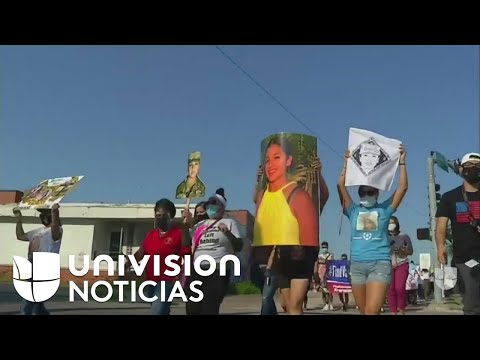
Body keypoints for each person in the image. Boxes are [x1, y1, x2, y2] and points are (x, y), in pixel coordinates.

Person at [252, 136, 329, 315]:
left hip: (300, 255)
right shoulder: (268, 196)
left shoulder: (301, 196)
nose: (271, 163)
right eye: (267, 159)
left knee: (294, 306)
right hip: (280, 255)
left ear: (289, 161)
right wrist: (259, 180)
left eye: (277, 157)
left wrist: (319, 174)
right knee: (287, 306)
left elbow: (322, 196)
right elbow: (257, 202)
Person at [337, 145, 408, 315]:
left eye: (370, 191)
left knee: (371, 311)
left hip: (380, 263)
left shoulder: (385, 210)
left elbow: (402, 188)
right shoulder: (352, 210)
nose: (366, 194)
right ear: (359, 193)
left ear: (377, 193)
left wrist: (402, 164)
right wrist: (346, 163)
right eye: (363, 191)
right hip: (357, 266)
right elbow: (341, 186)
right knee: (364, 311)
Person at [124, 199, 191, 315]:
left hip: (168, 280)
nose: (160, 218)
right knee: (161, 309)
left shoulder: (179, 233)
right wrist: (125, 265)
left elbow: (187, 254)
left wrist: (183, 277)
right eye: (158, 215)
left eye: (164, 215)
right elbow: (141, 253)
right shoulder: (151, 235)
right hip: (151, 280)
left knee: (157, 310)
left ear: (171, 216)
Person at [186, 188, 243, 315]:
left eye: (214, 203)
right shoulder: (200, 225)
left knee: (209, 307)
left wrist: (227, 233)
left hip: (218, 270)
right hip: (197, 269)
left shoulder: (229, 222)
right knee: (192, 307)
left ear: (222, 207)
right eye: (209, 203)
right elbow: (187, 243)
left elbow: (239, 246)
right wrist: (186, 224)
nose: (210, 206)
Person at [436, 152, 480, 315]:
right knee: (471, 297)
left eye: (477, 167)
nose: (473, 169)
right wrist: (440, 246)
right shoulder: (450, 197)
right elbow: (440, 226)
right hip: (464, 257)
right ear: (461, 169)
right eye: (469, 166)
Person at [13, 203, 63, 315]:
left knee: (29, 297)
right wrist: (18, 220)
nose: (41, 217)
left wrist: (55, 212)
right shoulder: (37, 231)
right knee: (37, 302)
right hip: (32, 263)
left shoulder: (57, 230)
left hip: (44, 265)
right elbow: (20, 236)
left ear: (49, 216)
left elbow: (55, 226)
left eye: (44, 214)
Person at [387, 216, 413, 315]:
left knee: (399, 288)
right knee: (390, 290)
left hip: (402, 264)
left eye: (393, 223)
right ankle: (393, 312)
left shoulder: (404, 236)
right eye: (389, 223)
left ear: (396, 224)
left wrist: (402, 249)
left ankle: (401, 310)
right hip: (388, 265)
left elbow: (410, 251)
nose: (391, 225)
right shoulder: (383, 236)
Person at [316, 242, 334, 311]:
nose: (324, 248)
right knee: (323, 290)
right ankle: (325, 304)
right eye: (323, 247)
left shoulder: (330, 255)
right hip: (320, 273)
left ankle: (331, 303)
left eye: (325, 247)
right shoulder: (319, 256)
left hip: (328, 273)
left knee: (330, 290)